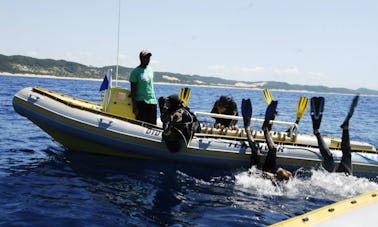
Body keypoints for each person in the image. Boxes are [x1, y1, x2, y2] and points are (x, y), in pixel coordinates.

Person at [242, 99, 293, 181]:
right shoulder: (288, 176)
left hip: (257, 173)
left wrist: (266, 174)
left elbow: (258, 175)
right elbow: (289, 175)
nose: (281, 168)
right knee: (273, 149)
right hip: (269, 171)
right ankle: (265, 129)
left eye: (281, 170)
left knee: (256, 151)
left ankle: (247, 128)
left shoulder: (272, 179)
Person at [310, 95, 359, 175]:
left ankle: (345, 129)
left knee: (346, 154)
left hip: (344, 176)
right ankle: (317, 132)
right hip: (339, 178)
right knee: (328, 157)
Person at [129, 50, 157, 124]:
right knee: (141, 124)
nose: (148, 59)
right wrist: (134, 106)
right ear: (141, 58)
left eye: (149, 57)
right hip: (141, 102)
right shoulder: (135, 72)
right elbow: (133, 91)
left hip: (152, 101)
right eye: (145, 57)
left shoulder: (150, 70)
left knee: (152, 125)